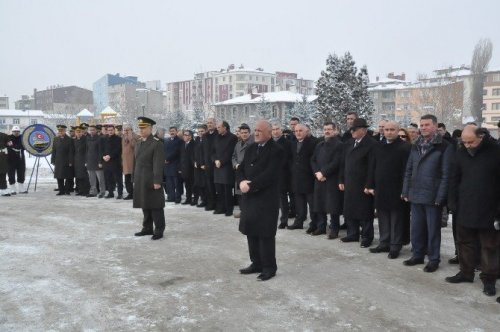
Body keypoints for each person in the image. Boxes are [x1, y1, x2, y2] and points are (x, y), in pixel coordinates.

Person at [445, 127, 500, 297]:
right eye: (464, 142)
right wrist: (452, 203)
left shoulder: (496, 152)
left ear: (481, 137)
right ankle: (466, 272)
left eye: (471, 142)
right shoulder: (461, 153)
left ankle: (489, 279)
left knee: (490, 246)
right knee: (464, 242)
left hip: (489, 208)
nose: (467, 145)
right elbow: (454, 178)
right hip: (465, 206)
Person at [402, 114, 452, 273]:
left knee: (433, 230)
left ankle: (434, 259)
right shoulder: (415, 145)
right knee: (416, 228)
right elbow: (408, 170)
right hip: (416, 193)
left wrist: (440, 196)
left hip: (432, 195)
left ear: (435, 126)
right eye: (421, 125)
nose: (423, 128)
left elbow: (446, 174)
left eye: (427, 125)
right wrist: (406, 190)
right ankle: (417, 255)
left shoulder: (443, 146)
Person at [238, 120, 284, 281]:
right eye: (255, 130)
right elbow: (241, 168)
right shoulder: (251, 148)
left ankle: (269, 267)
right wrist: (242, 181)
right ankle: (256, 263)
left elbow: (270, 175)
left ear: (269, 133)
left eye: (260, 130)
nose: (256, 133)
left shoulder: (277, 150)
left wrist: (251, 185)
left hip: (266, 199)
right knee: (251, 231)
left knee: (265, 234)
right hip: (250, 198)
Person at [366, 121, 411, 258]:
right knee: (383, 217)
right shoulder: (378, 146)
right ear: (383, 131)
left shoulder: (405, 147)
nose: (389, 132)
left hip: (397, 188)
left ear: (398, 131)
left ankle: (395, 246)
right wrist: (370, 184)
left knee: (396, 219)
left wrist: (405, 189)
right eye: (386, 129)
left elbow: (407, 171)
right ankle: (384, 243)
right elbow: (372, 167)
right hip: (381, 188)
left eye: (392, 129)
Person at [339, 118, 376, 247]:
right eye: (351, 129)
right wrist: (341, 179)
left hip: (363, 184)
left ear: (363, 130)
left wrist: (369, 184)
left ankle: (367, 237)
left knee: (364, 212)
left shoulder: (371, 144)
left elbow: (372, 167)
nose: (352, 131)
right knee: (350, 209)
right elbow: (343, 163)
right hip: (349, 182)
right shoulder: (349, 143)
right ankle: (352, 234)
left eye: (354, 129)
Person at [133, 117, 166, 240]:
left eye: (144, 128)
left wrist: (157, 181)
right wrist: (134, 178)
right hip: (140, 179)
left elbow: (158, 164)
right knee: (144, 205)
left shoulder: (156, 144)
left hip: (152, 180)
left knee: (156, 206)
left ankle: (159, 229)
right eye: (140, 128)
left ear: (151, 129)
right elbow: (135, 163)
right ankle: (147, 228)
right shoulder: (138, 143)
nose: (141, 130)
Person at [310, 122, 343, 238]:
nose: (327, 131)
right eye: (325, 129)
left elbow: (336, 162)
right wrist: (317, 173)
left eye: (329, 129)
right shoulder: (320, 145)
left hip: (331, 179)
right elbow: (313, 160)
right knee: (319, 204)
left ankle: (334, 229)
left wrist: (324, 173)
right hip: (319, 179)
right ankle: (321, 227)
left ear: (335, 130)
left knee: (333, 206)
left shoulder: (339, 145)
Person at [288, 124, 318, 231]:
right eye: (296, 131)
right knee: (299, 202)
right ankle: (299, 222)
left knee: (312, 203)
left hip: (309, 177)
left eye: (300, 130)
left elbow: (315, 159)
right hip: (296, 177)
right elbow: (291, 159)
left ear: (306, 132)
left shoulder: (313, 143)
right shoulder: (292, 144)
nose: (298, 133)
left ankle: (314, 223)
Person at [212, 121, 238, 216]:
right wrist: (215, 160)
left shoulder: (232, 138)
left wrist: (221, 161)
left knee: (227, 190)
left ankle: (228, 209)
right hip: (217, 167)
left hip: (226, 167)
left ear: (225, 127)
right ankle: (220, 208)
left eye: (219, 127)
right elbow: (213, 151)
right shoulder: (216, 137)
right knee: (219, 190)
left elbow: (230, 152)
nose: (217, 129)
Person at [272, 123, 292, 228]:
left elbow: (287, 159)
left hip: (282, 174)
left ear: (281, 130)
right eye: (273, 129)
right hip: (270, 174)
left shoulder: (287, 143)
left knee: (282, 197)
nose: (275, 131)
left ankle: (284, 220)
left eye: (277, 129)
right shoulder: (269, 142)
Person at [232, 124, 254, 218]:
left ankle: (249, 213)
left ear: (249, 133)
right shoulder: (237, 144)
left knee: (248, 193)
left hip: (248, 172)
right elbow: (233, 156)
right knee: (239, 193)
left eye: (246, 132)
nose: (244, 134)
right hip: (238, 171)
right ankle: (243, 211)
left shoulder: (253, 144)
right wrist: (235, 164)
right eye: (242, 133)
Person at [51, 125, 74, 195]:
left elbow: (71, 151)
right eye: (59, 131)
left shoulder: (69, 139)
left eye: (62, 131)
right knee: (59, 176)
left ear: (65, 131)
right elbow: (54, 150)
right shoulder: (55, 139)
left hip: (66, 160)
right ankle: (61, 190)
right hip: (58, 160)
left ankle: (67, 190)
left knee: (67, 176)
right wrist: (53, 160)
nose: (60, 132)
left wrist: (70, 161)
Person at [102, 125, 123, 199]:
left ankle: (120, 193)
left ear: (114, 130)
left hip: (115, 162)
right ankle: (110, 193)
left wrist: (110, 156)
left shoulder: (118, 139)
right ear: (107, 131)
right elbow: (102, 149)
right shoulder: (104, 138)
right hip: (106, 162)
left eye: (111, 130)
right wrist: (103, 156)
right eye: (109, 130)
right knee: (108, 178)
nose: (110, 131)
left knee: (118, 179)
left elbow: (118, 149)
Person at [201, 118, 218, 211]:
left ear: (215, 124)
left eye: (211, 123)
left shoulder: (218, 134)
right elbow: (203, 150)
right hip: (207, 164)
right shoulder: (205, 136)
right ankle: (210, 203)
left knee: (217, 186)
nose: (209, 124)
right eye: (208, 123)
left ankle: (217, 203)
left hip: (216, 164)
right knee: (209, 185)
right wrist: (203, 162)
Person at [163, 126, 183, 203]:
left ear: (176, 131)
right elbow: (163, 151)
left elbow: (177, 152)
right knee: (169, 183)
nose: (172, 132)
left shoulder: (180, 141)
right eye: (170, 131)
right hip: (167, 165)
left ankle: (178, 198)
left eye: (173, 131)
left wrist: (167, 159)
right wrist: (164, 159)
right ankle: (171, 197)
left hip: (175, 165)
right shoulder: (166, 141)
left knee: (177, 183)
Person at [7, 126, 27, 194]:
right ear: (12, 132)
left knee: (21, 173)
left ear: (19, 132)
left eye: (17, 131)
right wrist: (18, 147)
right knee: (11, 174)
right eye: (15, 131)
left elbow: (25, 146)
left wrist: (17, 147)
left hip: (20, 159)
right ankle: (12, 189)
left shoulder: (23, 138)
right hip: (11, 159)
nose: (16, 132)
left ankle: (21, 188)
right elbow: (9, 146)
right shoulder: (8, 138)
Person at [179, 129, 196, 205]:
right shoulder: (183, 144)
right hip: (184, 168)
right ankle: (188, 199)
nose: (184, 136)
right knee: (187, 185)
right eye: (184, 135)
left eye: (186, 135)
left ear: (190, 136)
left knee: (193, 185)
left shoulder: (194, 144)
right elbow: (181, 157)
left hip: (192, 168)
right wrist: (180, 168)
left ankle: (195, 199)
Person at [193, 124, 207, 207]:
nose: (200, 133)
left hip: (204, 165)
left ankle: (206, 200)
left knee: (205, 184)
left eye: (202, 131)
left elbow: (206, 153)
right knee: (199, 183)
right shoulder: (197, 139)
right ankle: (202, 199)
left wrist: (204, 163)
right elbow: (195, 152)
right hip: (197, 165)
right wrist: (195, 161)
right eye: (199, 131)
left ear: (205, 131)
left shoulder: (207, 139)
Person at [73, 125, 90, 196]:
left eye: (80, 132)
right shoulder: (74, 140)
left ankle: (85, 191)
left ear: (82, 132)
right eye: (77, 132)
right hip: (76, 161)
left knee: (84, 176)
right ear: (75, 133)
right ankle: (79, 190)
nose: (78, 133)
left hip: (84, 160)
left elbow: (87, 151)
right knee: (78, 176)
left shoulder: (86, 139)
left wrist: (86, 161)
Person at [122, 124, 137, 200]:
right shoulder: (123, 137)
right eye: (125, 130)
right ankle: (130, 193)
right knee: (127, 179)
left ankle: (135, 193)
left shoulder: (136, 137)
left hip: (133, 162)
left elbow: (135, 146)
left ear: (131, 130)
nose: (126, 132)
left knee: (134, 179)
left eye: (128, 130)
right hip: (125, 162)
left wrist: (131, 138)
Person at [0, 131, 11, 197]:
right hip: (2, 156)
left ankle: (3, 189)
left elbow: (10, 144)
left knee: (2, 173)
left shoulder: (4, 135)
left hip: (2, 157)